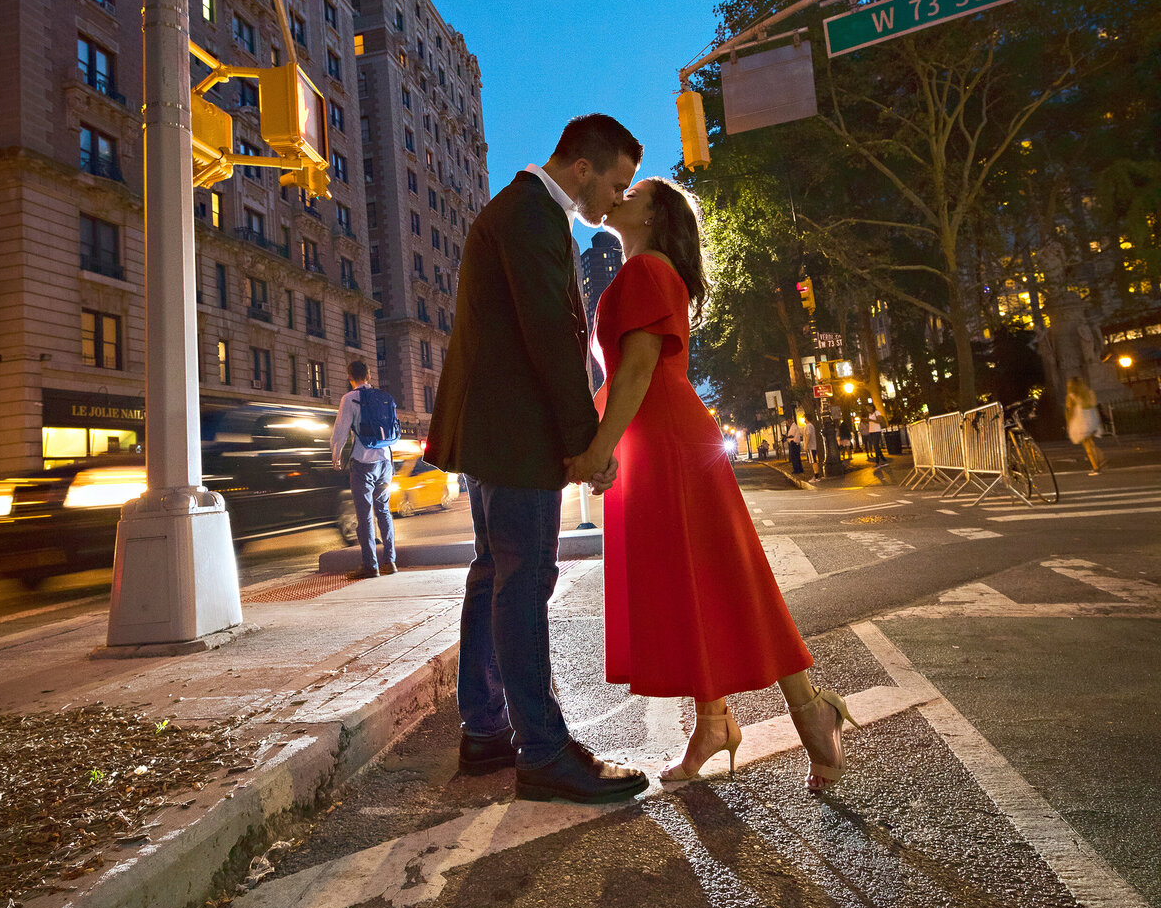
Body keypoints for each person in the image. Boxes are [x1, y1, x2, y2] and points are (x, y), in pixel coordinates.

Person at [566, 179, 858, 793]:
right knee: (688, 579)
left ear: (655, 214)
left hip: (668, 439)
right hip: (657, 439)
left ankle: (811, 711)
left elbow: (640, 367)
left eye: (634, 190)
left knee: (727, 574)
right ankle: (713, 721)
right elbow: (627, 374)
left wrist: (600, 446)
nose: (619, 194)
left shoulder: (647, 270)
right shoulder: (643, 269)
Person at [425, 114, 650, 804]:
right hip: (516, 433)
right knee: (522, 581)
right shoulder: (530, 214)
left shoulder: (517, 210)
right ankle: (544, 751)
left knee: (494, 573)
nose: (614, 201)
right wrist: (586, 443)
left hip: (497, 432)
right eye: (615, 183)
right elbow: (552, 336)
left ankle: (487, 730)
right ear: (582, 167)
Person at [331, 359, 401, 579]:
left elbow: (341, 430)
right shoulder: (384, 398)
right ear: (369, 376)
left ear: (350, 377)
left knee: (365, 516)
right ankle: (390, 562)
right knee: (384, 512)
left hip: (363, 462)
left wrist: (336, 455)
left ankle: (370, 565)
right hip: (385, 462)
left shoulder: (350, 398)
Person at [1066, 376, 1104, 473]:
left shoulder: (1071, 396)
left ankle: (1096, 467)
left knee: (1087, 445)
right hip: (1092, 419)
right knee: (1091, 443)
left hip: (1081, 421)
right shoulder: (1089, 393)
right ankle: (1099, 461)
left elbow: (1070, 411)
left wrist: (1069, 423)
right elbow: (1094, 404)